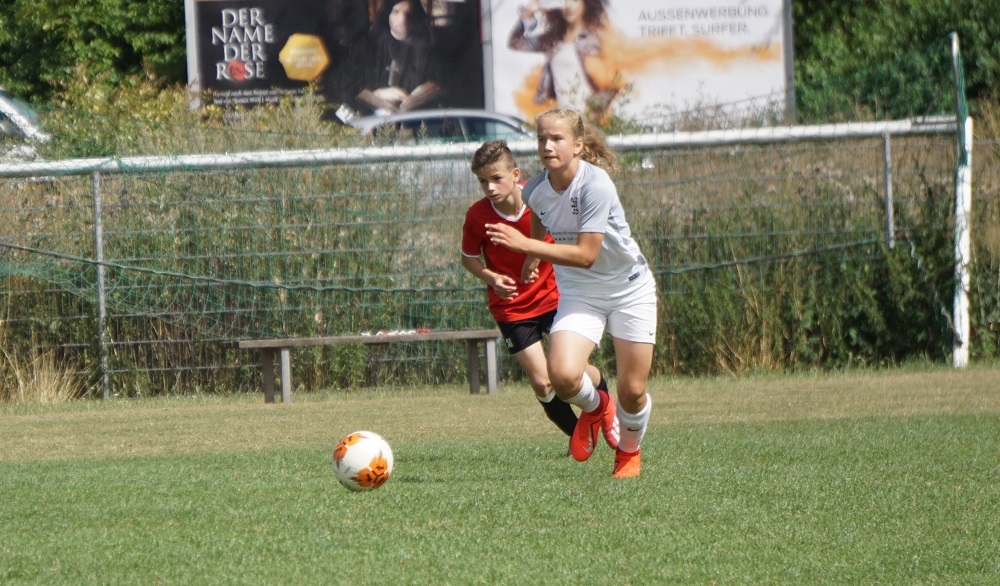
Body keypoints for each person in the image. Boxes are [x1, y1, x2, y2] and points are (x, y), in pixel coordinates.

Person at [485, 108, 656, 478]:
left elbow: (586, 255)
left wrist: (524, 245)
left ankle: (629, 452)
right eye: (541, 139)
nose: (547, 146)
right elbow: (539, 214)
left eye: (557, 138)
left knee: (632, 390)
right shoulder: (534, 189)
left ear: (578, 145)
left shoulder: (595, 185)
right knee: (562, 377)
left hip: (629, 288)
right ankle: (596, 407)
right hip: (580, 292)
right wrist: (533, 253)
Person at [461, 139, 614, 449]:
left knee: (569, 372)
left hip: (556, 297)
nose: (490, 187)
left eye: (496, 178)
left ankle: (605, 408)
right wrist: (492, 277)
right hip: (512, 308)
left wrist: (535, 256)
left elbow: (571, 241)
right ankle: (581, 439)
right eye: (482, 181)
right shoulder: (477, 216)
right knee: (543, 383)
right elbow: (468, 258)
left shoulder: (541, 199)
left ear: (515, 174)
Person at [507, 0, 620, 119]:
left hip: (588, 119)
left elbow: (614, 82)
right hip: (562, 119)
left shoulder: (596, 38)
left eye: (574, 0)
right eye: (563, 1)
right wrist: (528, 14)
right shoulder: (553, 40)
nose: (568, 6)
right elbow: (515, 43)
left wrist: (593, 111)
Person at [357, 0, 443, 114]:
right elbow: (355, 85)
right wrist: (379, 94)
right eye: (396, 12)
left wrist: (424, 94)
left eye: (408, 14)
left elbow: (442, 84)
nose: (403, 19)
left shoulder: (429, 48)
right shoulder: (371, 45)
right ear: (388, 14)